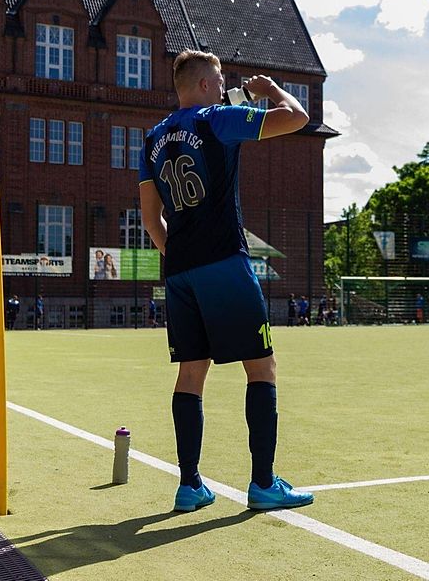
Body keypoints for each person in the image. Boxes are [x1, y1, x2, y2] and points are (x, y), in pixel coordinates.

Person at [139, 49, 313, 512]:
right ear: (202, 86)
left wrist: (179, 254)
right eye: (217, 81)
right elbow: (297, 118)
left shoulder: (152, 138)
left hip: (179, 270)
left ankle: (190, 485)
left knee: (191, 373)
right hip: (224, 262)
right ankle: (262, 483)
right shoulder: (216, 118)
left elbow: (150, 219)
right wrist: (269, 89)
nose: (222, 87)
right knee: (261, 367)